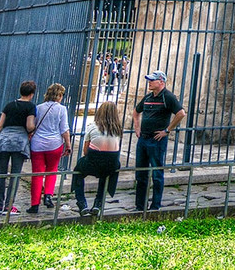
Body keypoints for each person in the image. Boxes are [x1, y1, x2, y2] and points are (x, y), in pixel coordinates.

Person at [133, 70, 185, 210]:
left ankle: (155, 205)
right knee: (141, 173)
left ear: (161, 82)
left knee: (157, 174)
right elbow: (136, 111)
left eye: (152, 80)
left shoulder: (168, 97)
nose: (149, 82)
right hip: (143, 139)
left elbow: (181, 113)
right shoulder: (148, 97)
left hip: (156, 140)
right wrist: (137, 128)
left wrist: (167, 130)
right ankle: (140, 205)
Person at [0, 80, 38, 214]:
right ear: (32, 94)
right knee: (15, 174)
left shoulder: (10, 105)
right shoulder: (31, 107)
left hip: (4, 139)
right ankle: (9, 206)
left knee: (1, 174)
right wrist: (34, 128)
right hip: (19, 142)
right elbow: (29, 126)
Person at [70, 101, 124, 217]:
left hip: (93, 160)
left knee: (78, 171)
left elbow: (85, 151)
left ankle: (82, 203)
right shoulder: (118, 129)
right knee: (106, 174)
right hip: (112, 163)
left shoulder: (92, 126)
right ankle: (98, 203)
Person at [28, 83, 72, 213]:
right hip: (54, 144)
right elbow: (64, 129)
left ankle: (34, 204)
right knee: (52, 170)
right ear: (59, 95)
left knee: (37, 174)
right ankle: (48, 196)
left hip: (37, 144)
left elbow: (33, 125)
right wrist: (68, 144)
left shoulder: (38, 108)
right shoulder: (61, 109)